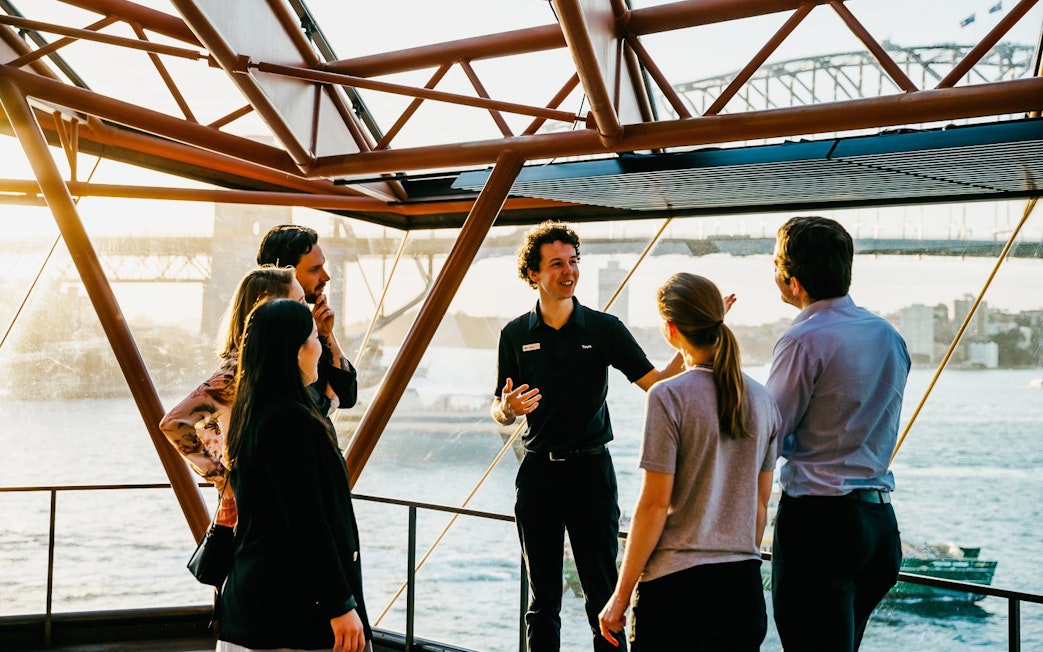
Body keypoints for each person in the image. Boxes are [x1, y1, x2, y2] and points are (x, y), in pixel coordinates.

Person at [491, 221, 686, 652]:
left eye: (573, 262)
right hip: (538, 474)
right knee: (543, 601)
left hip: (591, 473)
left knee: (603, 595)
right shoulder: (514, 335)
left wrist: (694, 342)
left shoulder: (604, 329)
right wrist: (508, 408)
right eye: (556, 264)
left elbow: (658, 385)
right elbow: (500, 410)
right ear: (533, 275)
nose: (569, 271)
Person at [597, 272, 779, 651]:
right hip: (743, 590)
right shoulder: (763, 400)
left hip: (676, 592)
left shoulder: (668, 396)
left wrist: (621, 595)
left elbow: (654, 505)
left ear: (670, 328)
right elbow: (760, 504)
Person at [767, 215, 911, 651]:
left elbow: (771, 434)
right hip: (879, 527)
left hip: (819, 525)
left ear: (792, 282)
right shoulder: (888, 335)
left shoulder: (804, 339)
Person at [217, 298, 371, 652]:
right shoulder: (291, 420)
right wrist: (340, 605)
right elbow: (306, 520)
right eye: (315, 337)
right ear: (295, 349)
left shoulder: (251, 413)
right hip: (292, 612)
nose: (320, 346)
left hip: (252, 606)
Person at [159, 266, 304, 526]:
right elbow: (174, 423)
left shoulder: (260, 366)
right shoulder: (237, 372)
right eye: (300, 302)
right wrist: (225, 482)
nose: (307, 311)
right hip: (251, 516)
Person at [257, 223, 357, 416]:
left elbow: (347, 396)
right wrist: (330, 401)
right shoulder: (268, 339)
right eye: (315, 269)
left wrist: (326, 334)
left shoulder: (306, 330)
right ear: (286, 274)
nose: (326, 277)